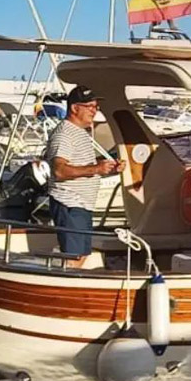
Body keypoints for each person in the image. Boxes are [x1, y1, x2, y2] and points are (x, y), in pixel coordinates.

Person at [44, 86, 124, 267]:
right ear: (74, 108)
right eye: (90, 107)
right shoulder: (64, 134)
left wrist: (108, 167)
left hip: (81, 205)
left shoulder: (79, 132)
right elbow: (59, 171)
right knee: (74, 257)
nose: (94, 111)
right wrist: (96, 168)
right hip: (70, 203)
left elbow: (83, 165)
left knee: (81, 254)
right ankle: (65, 288)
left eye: (96, 107)